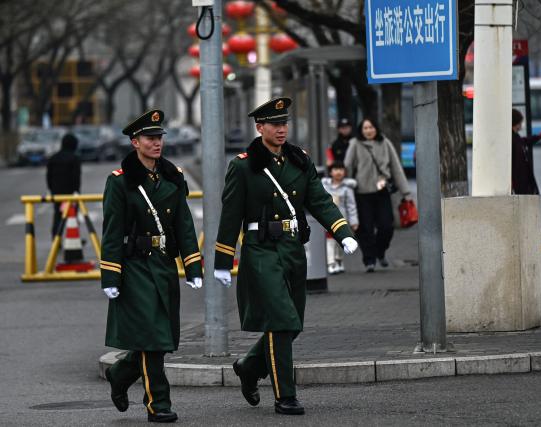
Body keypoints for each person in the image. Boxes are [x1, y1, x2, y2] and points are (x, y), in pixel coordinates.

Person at [213, 97, 358, 416]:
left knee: (293, 324)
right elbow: (230, 216)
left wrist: (343, 231)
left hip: (293, 248)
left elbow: (319, 200)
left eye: (284, 123)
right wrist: (224, 260)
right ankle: (285, 395)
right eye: (274, 124)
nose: (281, 129)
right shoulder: (242, 165)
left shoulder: (299, 160)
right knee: (281, 321)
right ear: (259, 127)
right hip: (261, 249)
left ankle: (250, 367)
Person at [100, 109, 203, 423]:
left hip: (163, 264)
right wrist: (111, 274)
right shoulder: (120, 182)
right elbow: (112, 230)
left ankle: (120, 375)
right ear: (135, 142)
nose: (156, 143)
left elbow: (184, 226)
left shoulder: (173, 177)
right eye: (149, 138)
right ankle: (158, 402)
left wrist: (193, 265)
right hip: (135, 267)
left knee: (160, 336)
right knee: (153, 336)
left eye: (159, 137)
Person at [344, 118, 411, 272]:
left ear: (376, 129)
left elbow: (396, 168)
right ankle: (369, 260)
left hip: (382, 192)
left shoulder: (385, 143)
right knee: (364, 229)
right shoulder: (355, 143)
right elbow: (347, 166)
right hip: (362, 193)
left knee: (387, 226)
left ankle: (380, 252)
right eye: (365, 128)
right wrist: (344, 186)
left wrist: (406, 193)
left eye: (371, 127)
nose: (368, 131)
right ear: (361, 130)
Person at [321, 161, 359, 274]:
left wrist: (354, 221)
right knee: (330, 242)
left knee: (341, 242)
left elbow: (351, 206)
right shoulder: (324, 186)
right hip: (328, 220)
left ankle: (339, 260)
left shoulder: (347, 188)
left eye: (341, 170)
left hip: (343, 220)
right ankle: (331, 263)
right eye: (335, 169)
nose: (338, 172)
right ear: (330, 172)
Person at [46, 133, 81, 237]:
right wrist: (76, 191)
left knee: (58, 215)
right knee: (72, 215)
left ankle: (56, 237)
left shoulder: (53, 158)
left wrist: (51, 189)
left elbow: (49, 176)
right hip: (70, 193)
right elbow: (76, 177)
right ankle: (74, 238)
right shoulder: (74, 158)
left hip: (57, 193)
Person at [511, 109, 541, 195]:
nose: (521, 125)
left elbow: (525, 141)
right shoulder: (512, 139)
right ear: (515, 123)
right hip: (519, 184)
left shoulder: (515, 137)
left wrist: (539, 137)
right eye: (520, 122)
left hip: (522, 182)